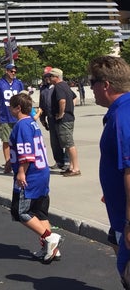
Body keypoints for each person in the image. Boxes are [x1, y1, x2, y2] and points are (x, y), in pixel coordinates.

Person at [90, 55, 130, 287]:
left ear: (106, 85)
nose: (91, 86)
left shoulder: (122, 117)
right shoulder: (120, 111)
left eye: (93, 80)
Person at [8, 92, 62, 263]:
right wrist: (10, 161)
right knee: (39, 211)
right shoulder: (32, 124)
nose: (9, 109)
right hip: (42, 171)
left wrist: (21, 172)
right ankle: (52, 249)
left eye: (11, 106)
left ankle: (49, 238)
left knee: (20, 211)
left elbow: (26, 153)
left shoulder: (21, 125)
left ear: (18, 107)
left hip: (31, 174)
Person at [0, 63, 24, 173]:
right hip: (5, 116)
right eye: (11, 71)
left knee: (19, 140)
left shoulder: (18, 83)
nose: (13, 73)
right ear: (6, 71)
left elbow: (24, 98)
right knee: (6, 140)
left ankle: (19, 161)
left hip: (17, 116)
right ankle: (8, 162)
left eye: (15, 71)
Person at [48, 68, 81, 177]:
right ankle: (71, 167)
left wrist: (62, 113)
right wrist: (70, 109)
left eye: (51, 76)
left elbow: (62, 101)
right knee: (66, 143)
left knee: (69, 143)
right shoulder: (65, 85)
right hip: (69, 118)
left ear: (56, 77)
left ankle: (76, 168)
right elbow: (73, 97)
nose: (49, 78)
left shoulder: (58, 87)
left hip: (64, 120)